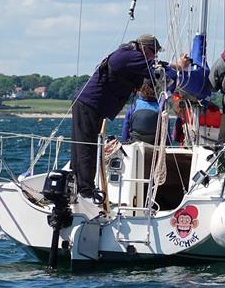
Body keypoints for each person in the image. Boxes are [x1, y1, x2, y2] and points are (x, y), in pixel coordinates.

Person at [72, 34, 191, 200]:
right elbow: (157, 70)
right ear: (144, 49)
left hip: (92, 105)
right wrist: (178, 67)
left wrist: (176, 67)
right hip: (89, 104)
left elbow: (157, 68)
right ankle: (84, 190)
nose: (154, 56)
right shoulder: (130, 56)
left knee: (85, 145)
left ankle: (77, 184)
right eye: (154, 53)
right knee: (86, 147)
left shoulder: (131, 56)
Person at [121, 79, 160, 144]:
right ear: (154, 90)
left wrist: (124, 142)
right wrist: (168, 146)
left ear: (140, 90)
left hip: (135, 141)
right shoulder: (159, 107)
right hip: (153, 143)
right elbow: (165, 130)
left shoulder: (134, 106)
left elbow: (126, 126)